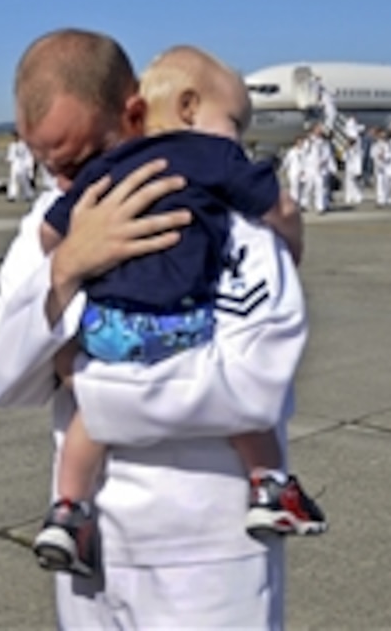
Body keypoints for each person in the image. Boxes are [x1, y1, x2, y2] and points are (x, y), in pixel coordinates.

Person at [0, 28, 307, 628]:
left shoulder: (228, 221)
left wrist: (87, 385)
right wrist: (69, 265)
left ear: (131, 116)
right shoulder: (53, 227)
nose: (62, 184)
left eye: (74, 160)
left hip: (207, 562)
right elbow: (1, 377)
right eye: (45, 164)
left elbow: (253, 390)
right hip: (93, 554)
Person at [30, 46, 324, 574]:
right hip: (179, 322)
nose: (237, 136)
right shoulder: (213, 157)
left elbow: (49, 230)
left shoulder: (112, 163)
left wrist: (68, 256)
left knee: (87, 422)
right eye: (234, 121)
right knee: (246, 420)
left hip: (108, 327)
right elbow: (283, 207)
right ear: (189, 108)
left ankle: (68, 511)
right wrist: (292, 245)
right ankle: (271, 487)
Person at [5, 130, 36, 202]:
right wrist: (9, 159)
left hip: (23, 164)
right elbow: (11, 155)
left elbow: (29, 156)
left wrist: (29, 167)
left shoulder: (25, 145)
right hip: (15, 164)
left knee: (24, 180)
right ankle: (12, 195)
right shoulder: (12, 145)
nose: (14, 137)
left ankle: (28, 194)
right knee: (13, 179)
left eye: (16, 135)